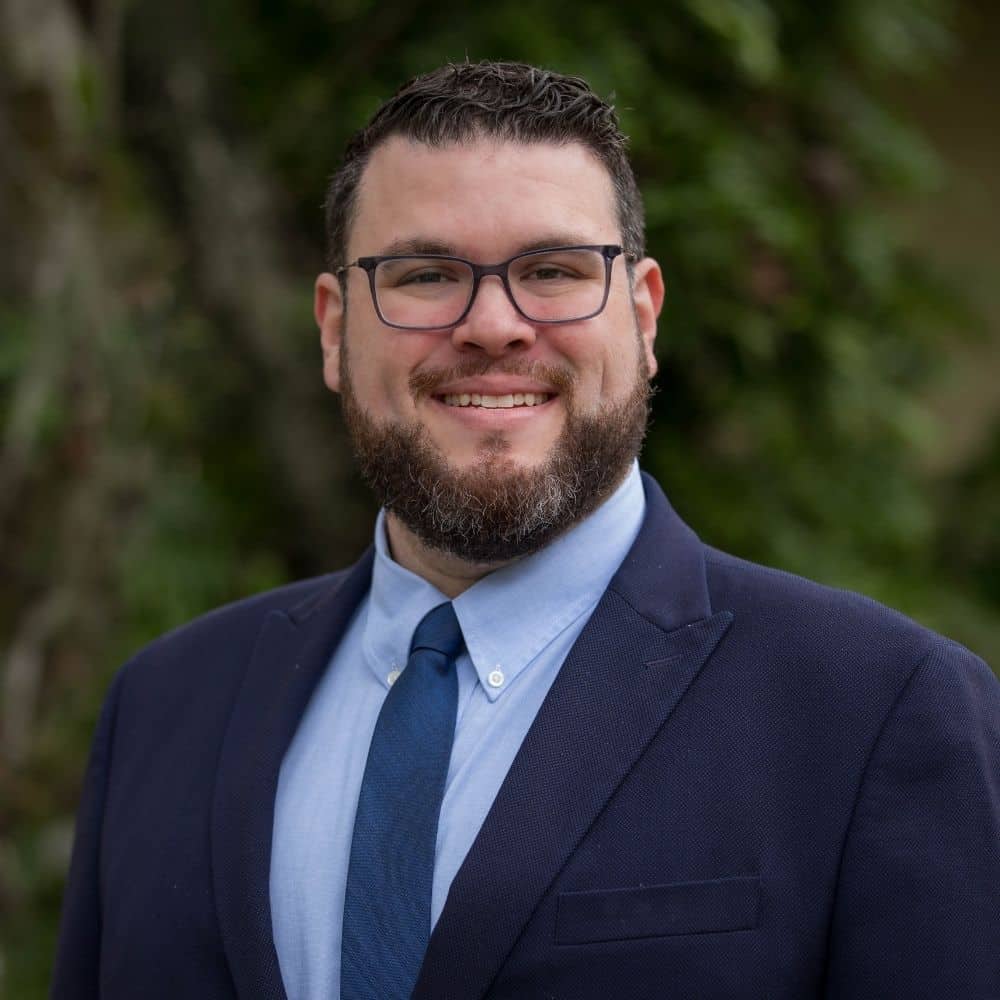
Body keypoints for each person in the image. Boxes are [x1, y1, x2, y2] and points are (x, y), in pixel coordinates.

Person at [52, 61, 998, 1000]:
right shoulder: (163, 707)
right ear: (335, 331)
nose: (494, 325)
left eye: (552, 271)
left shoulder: (878, 710)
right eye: (424, 275)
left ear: (643, 315)